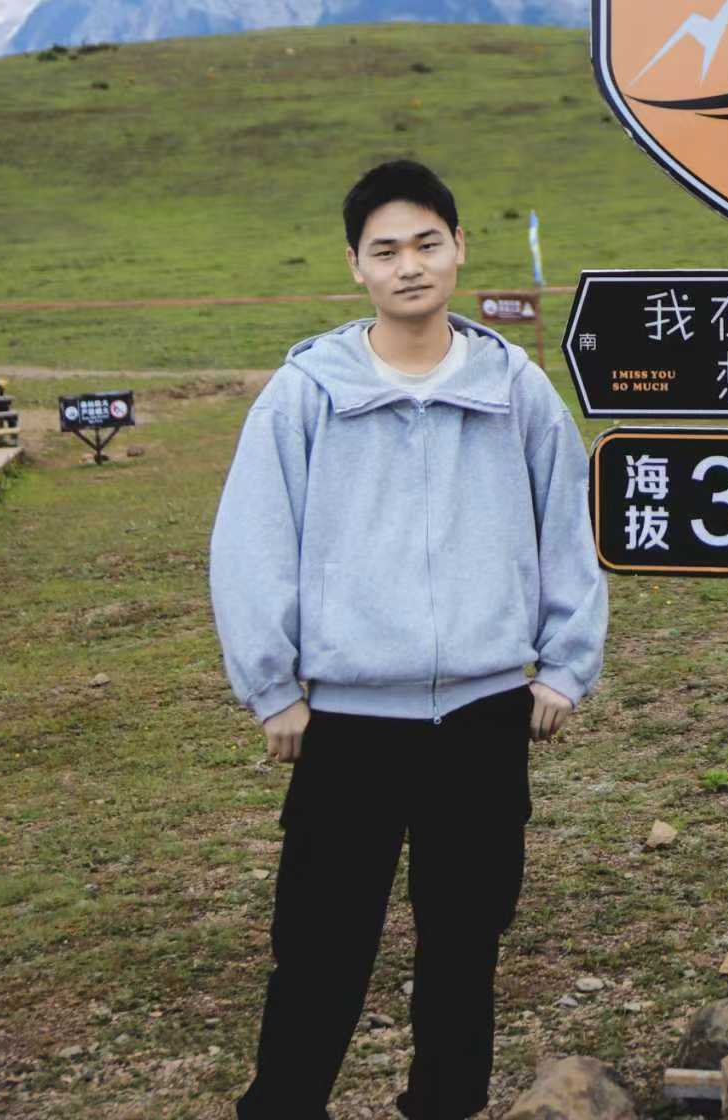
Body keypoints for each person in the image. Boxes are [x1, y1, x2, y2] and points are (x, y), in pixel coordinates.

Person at [209, 158, 607, 1120]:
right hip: (348, 723)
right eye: (385, 250)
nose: (410, 266)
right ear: (356, 265)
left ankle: (444, 1103)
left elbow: (569, 526)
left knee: (466, 940)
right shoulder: (307, 392)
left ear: (459, 247)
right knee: (321, 942)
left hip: (483, 714)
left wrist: (565, 666)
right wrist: (274, 687)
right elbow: (252, 542)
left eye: (428, 243)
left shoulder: (516, 389)